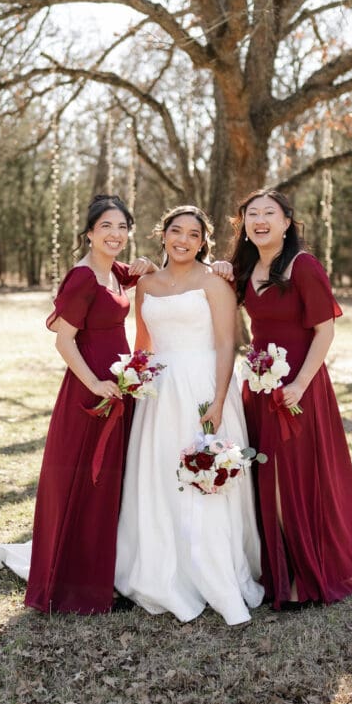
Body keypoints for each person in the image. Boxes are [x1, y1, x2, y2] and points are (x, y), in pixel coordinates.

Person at [0, 194, 155, 614]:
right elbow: (64, 340)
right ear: (89, 233)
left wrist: (147, 266)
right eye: (106, 227)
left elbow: (139, 275)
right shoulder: (82, 278)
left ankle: (104, 572)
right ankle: (76, 583)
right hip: (90, 389)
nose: (115, 235)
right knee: (86, 480)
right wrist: (96, 383)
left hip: (119, 385)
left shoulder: (114, 271)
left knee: (109, 484)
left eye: (122, 228)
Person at [230, 189, 352, 610]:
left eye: (269, 213)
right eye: (251, 213)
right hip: (260, 385)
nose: (259, 219)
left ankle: (304, 573)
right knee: (266, 474)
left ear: (287, 222)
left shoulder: (303, 266)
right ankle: (277, 569)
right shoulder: (246, 266)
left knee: (294, 477)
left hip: (300, 384)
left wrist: (299, 383)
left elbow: (324, 332)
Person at [115, 205, 264, 625]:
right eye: (175, 231)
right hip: (159, 394)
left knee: (204, 475)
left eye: (193, 234)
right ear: (162, 235)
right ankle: (160, 564)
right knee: (159, 475)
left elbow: (225, 345)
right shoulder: (146, 283)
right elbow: (143, 344)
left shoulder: (214, 282)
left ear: (203, 242)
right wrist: (136, 379)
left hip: (203, 386)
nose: (183, 240)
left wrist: (218, 401)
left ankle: (210, 569)